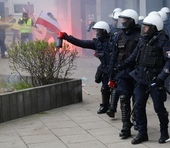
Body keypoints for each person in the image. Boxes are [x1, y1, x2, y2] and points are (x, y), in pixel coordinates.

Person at [116, 14, 170, 144]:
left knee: (158, 107)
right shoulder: (142, 40)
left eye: (147, 28)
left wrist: (161, 78)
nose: (144, 29)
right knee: (138, 106)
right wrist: (120, 66)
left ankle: (164, 132)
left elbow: (169, 61)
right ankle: (142, 133)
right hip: (141, 79)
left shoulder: (163, 40)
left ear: (155, 28)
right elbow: (134, 56)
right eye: (143, 27)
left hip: (155, 79)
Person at [59, 21, 113, 114]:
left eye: (99, 31)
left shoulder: (113, 41)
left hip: (116, 68)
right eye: (96, 31)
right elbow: (81, 43)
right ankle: (105, 106)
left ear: (104, 31)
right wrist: (67, 37)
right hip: (105, 68)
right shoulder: (97, 43)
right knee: (105, 88)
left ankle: (115, 108)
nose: (97, 33)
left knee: (120, 91)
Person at [108, 9, 141, 139]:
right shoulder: (119, 36)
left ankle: (137, 120)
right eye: (122, 20)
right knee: (123, 99)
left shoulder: (140, 35)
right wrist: (112, 72)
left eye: (126, 20)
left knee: (137, 99)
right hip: (122, 73)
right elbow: (114, 55)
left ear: (132, 21)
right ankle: (126, 126)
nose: (123, 22)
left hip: (136, 72)